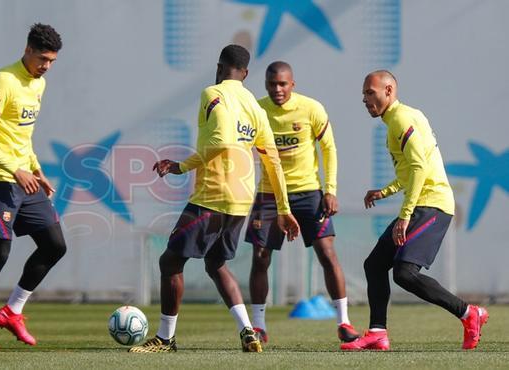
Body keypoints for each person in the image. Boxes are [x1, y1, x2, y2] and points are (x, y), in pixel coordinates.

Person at [129, 45, 300, 353]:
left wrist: (180, 166)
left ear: (220, 67)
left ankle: (166, 338)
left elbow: (221, 139)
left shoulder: (213, 94)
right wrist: (284, 209)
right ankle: (248, 330)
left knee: (170, 261)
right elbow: (273, 160)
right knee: (216, 263)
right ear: (245, 74)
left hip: (212, 196)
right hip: (241, 200)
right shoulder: (254, 106)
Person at [341, 70, 489, 351]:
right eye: (363, 94)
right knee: (374, 265)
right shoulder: (397, 120)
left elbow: (420, 169)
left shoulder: (401, 119)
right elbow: (412, 170)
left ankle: (469, 313)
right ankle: (377, 333)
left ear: (389, 90)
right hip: (423, 201)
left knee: (405, 273)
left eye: (370, 92)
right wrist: (383, 192)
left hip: (432, 204)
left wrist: (405, 215)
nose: (364, 98)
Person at [0, 23, 66, 352]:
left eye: (51, 60)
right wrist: (15, 169)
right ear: (27, 49)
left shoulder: (40, 84)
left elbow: (21, 134)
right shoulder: (4, 81)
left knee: (54, 245)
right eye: (42, 58)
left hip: (26, 176)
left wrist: (34, 167)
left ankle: (12, 310)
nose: (46, 66)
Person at [245, 61, 359, 344]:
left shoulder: (311, 108)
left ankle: (344, 321)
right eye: (272, 84)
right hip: (269, 194)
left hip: (308, 193)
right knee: (260, 257)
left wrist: (330, 190)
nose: (278, 89)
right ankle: (258, 326)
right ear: (266, 85)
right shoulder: (256, 110)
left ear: (292, 84)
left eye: (283, 84)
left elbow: (329, 148)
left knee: (326, 253)